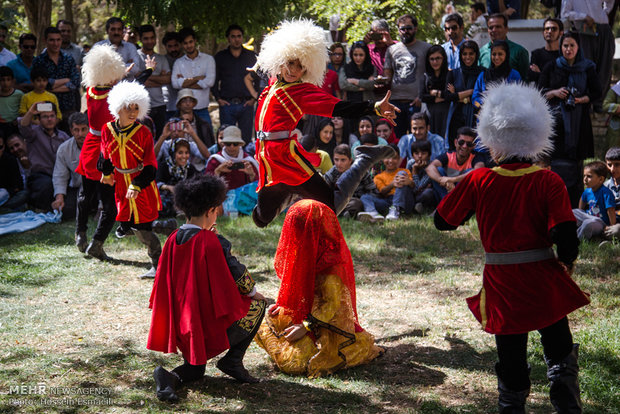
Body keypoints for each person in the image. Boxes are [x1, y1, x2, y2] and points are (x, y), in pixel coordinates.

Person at [434, 82, 590, 414]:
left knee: (511, 351)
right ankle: (566, 400)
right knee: (558, 343)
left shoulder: (479, 180)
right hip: (543, 274)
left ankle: (512, 405)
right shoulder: (549, 180)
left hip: (502, 280)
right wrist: (567, 262)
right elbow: (565, 234)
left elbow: (442, 220)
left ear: (493, 139)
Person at [251, 19, 398, 228]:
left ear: (306, 69)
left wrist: (374, 107)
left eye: (300, 66)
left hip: (287, 157)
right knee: (261, 219)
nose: (294, 70)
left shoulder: (301, 91)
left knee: (329, 205)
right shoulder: (274, 82)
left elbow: (339, 107)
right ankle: (291, 192)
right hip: (268, 160)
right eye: (290, 63)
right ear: (281, 60)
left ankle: (364, 159)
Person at [148, 175, 267, 402]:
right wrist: (253, 292)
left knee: (196, 370)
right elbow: (236, 272)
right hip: (207, 324)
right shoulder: (210, 241)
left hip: (183, 325)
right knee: (258, 305)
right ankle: (232, 360)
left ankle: (166, 377)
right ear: (211, 210)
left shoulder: (173, 238)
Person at [255, 199, 383, 377]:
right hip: (304, 314)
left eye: (298, 228)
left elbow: (330, 306)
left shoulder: (331, 265)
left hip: (326, 327)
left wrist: (305, 327)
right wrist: (283, 306)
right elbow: (298, 288)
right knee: (259, 321)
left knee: (294, 364)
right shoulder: (302, 252)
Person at [98, 81, 162, 279]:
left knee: (142, 227)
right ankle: (161, 227)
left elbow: (151, 167)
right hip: (119, 183)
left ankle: (158, 263)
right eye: (128, 108)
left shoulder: (143, 132)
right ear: (118, 107)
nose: (133, 112)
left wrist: (137, 184)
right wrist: (106, 174)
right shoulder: (107, 129)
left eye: (136, 108)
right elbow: (104, 156)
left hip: (140, 185)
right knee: (129, 222)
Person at [538, 31, 602, 207]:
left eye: (572, 45)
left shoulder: (588, 67)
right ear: (561, 47)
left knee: (576, 165)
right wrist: (555, 92)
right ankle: (555, 203)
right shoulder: (552, 66)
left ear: (578, 47)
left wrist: (583, 99)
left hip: (579, 123)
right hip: (557, 124)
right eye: (565, 46)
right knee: (557, 164)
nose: (568, 49)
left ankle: (576, 206)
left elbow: (597, 92)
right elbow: (539, 91)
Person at [561, 0, 615, 111]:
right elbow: (565, 13)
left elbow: (610, 1)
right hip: (584, 29)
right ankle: (586, 101)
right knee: (587, 67)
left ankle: (600, 102)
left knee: (605, 66)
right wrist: (583, 16)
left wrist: (605, 12)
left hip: (603, 27)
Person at [383, 14, 431, 138]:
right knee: (398, 139)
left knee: (418, 137)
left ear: (415, 28)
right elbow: (387, 74)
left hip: (415, 102)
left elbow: (431, 75)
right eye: (402, 29)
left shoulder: (426, 48)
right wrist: (380, 82)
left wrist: (422, 97)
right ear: (398, 30)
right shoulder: (391, 50)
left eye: (409, 28)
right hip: (395, 102)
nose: (405, 32)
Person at [18, 101, 69, 211]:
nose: (49, 119)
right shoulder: (33, 133)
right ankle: (37, 206)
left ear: (56, 117)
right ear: (39, 119)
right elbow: (23, 125)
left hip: (60, 176)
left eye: (52, 116)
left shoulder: (63, 136)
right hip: (40, 176)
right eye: (45, 117)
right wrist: (31, 111)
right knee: (47, 185)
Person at [213, 24, 257, 141]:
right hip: (227, 104)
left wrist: (254, 98)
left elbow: (258, 78)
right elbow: (215, 79)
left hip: (246, 104)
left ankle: (246, 160)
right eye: (233, 36)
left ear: (242, 37)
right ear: (228, 38)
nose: (236, 39)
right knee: (227, 139)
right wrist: (218, 98)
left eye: (239, 36)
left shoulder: (251, 56)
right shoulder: (220, 57)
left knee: (246, 140)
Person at [32, 27, 80, 126]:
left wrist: (51, 88)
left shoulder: (68, 59)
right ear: (45, 41)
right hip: (46, 109)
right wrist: (66, 80)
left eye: (58, 40)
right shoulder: (39, 61)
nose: (56, 43)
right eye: (52, 40)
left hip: (68, 107)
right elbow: (40, 84)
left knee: (70, 139)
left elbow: (75, 83)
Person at [426, 127, 485, 202]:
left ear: (473, 146)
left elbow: (479, 171)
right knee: (437, 170)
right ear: (455, 142)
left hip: (463, 196)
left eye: (469, 144)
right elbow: (429, 168)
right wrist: (443, 180)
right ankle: (447, 202)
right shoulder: (448, 155)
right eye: (461, 142)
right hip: (446, 191)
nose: (464, 146)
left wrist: (452, 179)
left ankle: (447, 203)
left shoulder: (477, 157)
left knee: (472, 173)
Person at [171, 27, 215, 124]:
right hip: (183, 112)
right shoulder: (178, 62)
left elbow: (210, 82)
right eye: (185, 43)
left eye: (190, 42)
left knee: (206, 138)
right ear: (182, 45)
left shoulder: (208, 59)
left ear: (195, 41)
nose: (189, 45)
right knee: (183, 138)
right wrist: (198, 78)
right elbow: (174, 84)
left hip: (202, 109)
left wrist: (183, 83)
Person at [357, 144, 411, 222]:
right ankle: (373, 213)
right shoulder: (378, 177)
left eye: (394, 158)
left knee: (401, 174)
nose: (390, 161)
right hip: (387, 201)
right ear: (382, 158)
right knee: (365, 197)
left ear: (399, 159)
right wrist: (393, 184)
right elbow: (382, 191)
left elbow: (413, 187)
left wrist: (409, 182)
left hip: (404, 200)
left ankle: (395, 209)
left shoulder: (405, 171)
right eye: (387, 157)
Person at [444, 40, 483, 143]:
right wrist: (471, 92)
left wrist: (457, 95)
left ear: (476, 54)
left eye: (471, 53)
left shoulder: (483, 73)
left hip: (477, 116)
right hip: (457, 117)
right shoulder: (453, 73)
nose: (468, 57)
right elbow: (448, 97)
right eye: (464, 54)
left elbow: (482, 96)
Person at [324, 143, 377, 218]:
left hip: (355, 201)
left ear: (350, 160)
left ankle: (341, 213)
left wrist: (365, 200)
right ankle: (343, 213)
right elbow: (323, 186)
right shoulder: (333, 171)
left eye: (343, 160)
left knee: (356, 204)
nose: (339, 163)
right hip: (337, 201)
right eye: (336, 160)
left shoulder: (360, 171)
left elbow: (373, 191)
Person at [51, 111, 86, 220]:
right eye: (76, 130)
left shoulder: (99, 145)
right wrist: (59, 198)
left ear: (89, 128)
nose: (80, 134)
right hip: (78, 188)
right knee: (65, 211)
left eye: (83, 129)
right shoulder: (64, 148)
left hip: (99, 187)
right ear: (71, 131)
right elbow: (60, 175)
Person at [138, 24, 171, 138]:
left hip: (160, 105)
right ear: (140, 39)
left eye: (152, 38)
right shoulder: (136, 57)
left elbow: (167, 79)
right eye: (146, 38)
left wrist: (146, 74)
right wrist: (158, 78)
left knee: (161, 138)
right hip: (141, 106)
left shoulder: (161, 58)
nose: (149, 41)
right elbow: (137, 79)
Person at [572, 160, 616, 240]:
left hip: (600, 222)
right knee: (572, 212)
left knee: (587, 224)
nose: (585, 179)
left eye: (589, 176)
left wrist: (611, 227)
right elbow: (582, 201)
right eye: (584, 176)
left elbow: (611, 210)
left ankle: (576, 240)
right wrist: (580, 213)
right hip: (588, 217)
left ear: (601, 179)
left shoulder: (606, 193)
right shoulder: (587, 191)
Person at [205, 126, 258, 191]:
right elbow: (207, 187)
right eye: (228, 144)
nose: (232, 147)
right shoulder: (215, 160)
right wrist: (217, 171)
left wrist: (251, 175)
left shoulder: (248, 161)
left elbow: (257, 187)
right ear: (223, 144)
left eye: (235, 144)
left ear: (240, 144)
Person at [472, 40, 521, 109]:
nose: (496, 57)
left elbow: (518, 97)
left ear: (506, 55)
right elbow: (474, 98)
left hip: (507, 116)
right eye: (494, 54)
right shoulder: (483, 75)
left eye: (500, 54)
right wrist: (483, 104)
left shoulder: (514, 75)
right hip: (485, 116)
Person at [478, 14, 529, 80]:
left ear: (506, 29)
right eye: (491, 27)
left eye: (498, 27)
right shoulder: (482, 51)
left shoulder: (519, 51)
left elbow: (525, 80)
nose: (494, 30)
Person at [156, 138, 198, 217]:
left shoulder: (190, 168)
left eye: (187, 153)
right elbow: (157, 183)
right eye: (180, 153)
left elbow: (195, 183)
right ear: (173, 153)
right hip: (166, 195)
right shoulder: (164, 165)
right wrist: (169, 187)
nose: (184, 156)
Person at [420, 45, 450, 138]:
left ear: (443, 59)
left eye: (438, 58)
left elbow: (451, 95)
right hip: (428, 114)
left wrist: (435, 93)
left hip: (445, 114)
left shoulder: (450, 75)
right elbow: (422, 97)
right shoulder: (425, 76)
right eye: (432, 59)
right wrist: (442, 97)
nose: (435, 62)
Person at [528, 18, 562, 85]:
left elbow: (561, 80)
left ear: (561, 33)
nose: (549, 31)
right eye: (547, 29)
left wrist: (540, 73)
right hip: (540, 93)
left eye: (554, 29)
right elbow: (531, 77)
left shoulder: (564, 54)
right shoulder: (536, 54)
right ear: (543, 33)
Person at [0, 135, 27, 211]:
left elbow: (18, 186)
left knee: (24, 195)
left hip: (6, 194)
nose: (15, 149)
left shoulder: (10, 160)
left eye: (0, 147)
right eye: (12, 148)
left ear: (3, 147)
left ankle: (4, 208)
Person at [162, 32, 183, 119]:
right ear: (165, 46)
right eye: (170, 46)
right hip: (167, 104)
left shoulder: (186, 60)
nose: (173, 49)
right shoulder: (162, 60)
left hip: (185, 105)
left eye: (176, 45)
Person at [0, 66, 24, 137]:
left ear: (13, 81)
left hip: (14, 125)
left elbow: (23, 110)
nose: (5, 83)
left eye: (8, 79)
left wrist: (18, 119)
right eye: (2, 80)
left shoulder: (19, 94)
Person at [603, 147, 620, 239]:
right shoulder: (605, 186)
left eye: (617, 165)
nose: (612, 169)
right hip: (607, 221)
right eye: (609, 165)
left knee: (616, 229)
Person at [602, 83, 620, 155]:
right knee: (614, 155)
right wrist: (618, 108)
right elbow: (606, 106)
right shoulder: (616, 89)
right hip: (617, 131)